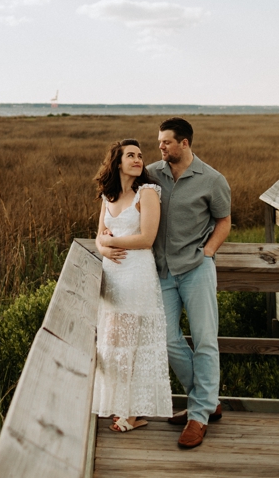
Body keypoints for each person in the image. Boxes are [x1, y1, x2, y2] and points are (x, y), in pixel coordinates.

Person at [148, 117, 231, 449]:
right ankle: (206, 400)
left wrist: (208, 252)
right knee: (168, 340)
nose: (161, 147)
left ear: (184, 143)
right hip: (163, 272)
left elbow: (224, 221)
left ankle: (198, 416)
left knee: (206, 340)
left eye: (166, 142)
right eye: (159, 143)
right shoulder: (152, 174)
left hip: (196, 269)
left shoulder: (212, 179)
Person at [92, 139, 173, 432]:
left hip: (137, 273)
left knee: (130, 344)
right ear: (117, 162)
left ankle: (131, 412)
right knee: (112, 340)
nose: (138, 160)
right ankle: (119, 405)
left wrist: (110, 241)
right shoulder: (108, 196)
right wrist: (103, 249)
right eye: (131, 155)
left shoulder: (147, 193)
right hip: (111, 276)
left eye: (140, 155)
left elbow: (146, 239)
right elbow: (98, 235)